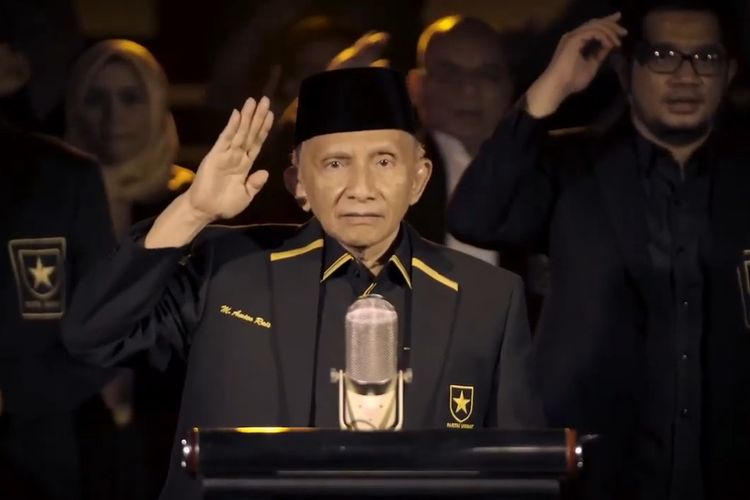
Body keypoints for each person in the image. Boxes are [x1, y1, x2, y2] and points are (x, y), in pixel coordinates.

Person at [62, 67, 544, 500]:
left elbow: (522, 474)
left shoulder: (487, 298)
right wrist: (193, 209)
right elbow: (92, 334)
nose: (361, 188)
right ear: (299, 185)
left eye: (383, 162)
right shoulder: (228, 270)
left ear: (418, 179)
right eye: (335, 164)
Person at [448, 2, 750, 499]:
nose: (686, 75)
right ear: (625, 71)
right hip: (594, 472)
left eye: (706, 58)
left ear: (730, 72)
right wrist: (551, 88)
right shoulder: (570, 163)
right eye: (662, 56)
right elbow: (474, 217)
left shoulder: (745, 175)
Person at [64, 39, 195, 499]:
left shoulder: (193, 203)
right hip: (67, 422)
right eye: (95, 98)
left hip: (168, 422)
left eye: (130, 97)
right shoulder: (47, 204)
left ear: (157, 103)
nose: (113, 115)